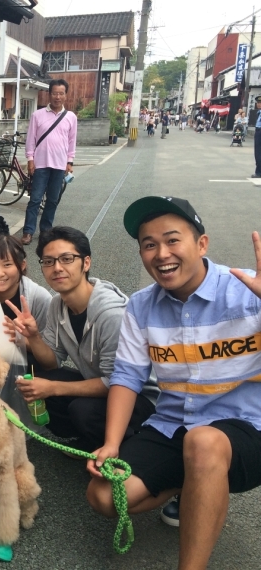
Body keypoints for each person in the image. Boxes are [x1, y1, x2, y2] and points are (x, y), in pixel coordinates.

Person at [87, 197, 261, 570]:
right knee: (103, 496)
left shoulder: (249, 291)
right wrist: (112, 444)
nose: (161, 254)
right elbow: (127, 376)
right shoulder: (140, 306)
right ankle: (196, 486)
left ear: (202, 244)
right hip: (173, 425)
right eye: (149, 244)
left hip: (247, 428)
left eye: (172, 240)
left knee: (204, 443)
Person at [7, 227, 157, 452]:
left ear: (86, 263)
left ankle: (127, 444)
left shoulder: (111, 315)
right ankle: (90, 437)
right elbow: (52, 362)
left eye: (67, 259)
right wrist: (34, 336)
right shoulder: (57, 304)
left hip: (139, 397)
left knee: (81, 410)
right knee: (39, 378)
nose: (57, 268)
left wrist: (53, 388)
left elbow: (117, 382)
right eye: (48, 261)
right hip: (99, 381)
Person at [22, 79, 77, 246]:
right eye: (54, 93)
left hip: (59, 165)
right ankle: (28, 231)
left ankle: (46, 231)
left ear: (65, 95)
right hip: (40, 164)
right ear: (49, 94)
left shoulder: (71, 117)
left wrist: (70, 161)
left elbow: (72, 141)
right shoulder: (37, 115)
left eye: (61, 93)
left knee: (53, 200)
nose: (57, 97)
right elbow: (31, 139)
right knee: (35, 199)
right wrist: (30, 159)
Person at [0, 234, 52, 349]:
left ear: (22, 265)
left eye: (7, 264)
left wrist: (20, 338)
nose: (0, 273)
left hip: (27, 360)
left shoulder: (40, 298)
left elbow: (50, 352)